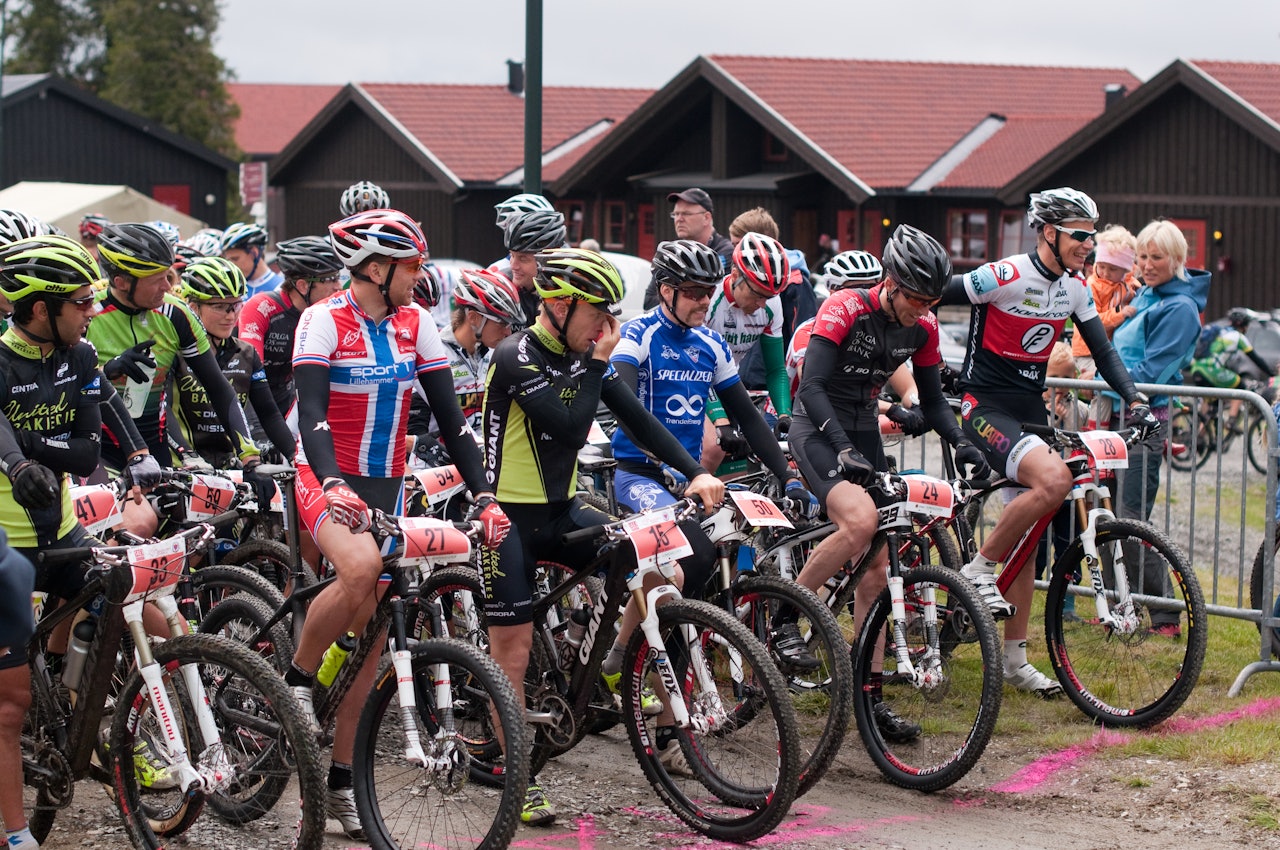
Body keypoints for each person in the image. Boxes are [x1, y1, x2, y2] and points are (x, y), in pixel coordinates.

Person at [284, 208, 508, 840]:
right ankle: (297, 681)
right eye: (411, 265)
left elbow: (452, 419)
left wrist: (487, 495)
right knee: (359, 566)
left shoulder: (416, 324)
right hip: (324, 473)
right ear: (376, 268)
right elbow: (313, 414)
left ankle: (338, 785)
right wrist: (331, 483)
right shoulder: (322, 319)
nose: (421, 275)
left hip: (386, 481)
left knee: (375, 643)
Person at [480, 247, 723, 826]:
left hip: (561, 510)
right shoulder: (515, 356)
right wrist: (598, 362)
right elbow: (567, 424)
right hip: (505, 519)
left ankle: (609, 657)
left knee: (650, 554)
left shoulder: (586, 356)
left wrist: (695, 472)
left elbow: (640, 421)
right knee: (511, 651)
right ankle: (518, 775)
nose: (604, 325)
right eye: (596, 312)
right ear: (559, 305)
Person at [938, 187, 1156, 697]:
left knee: (1032, 538)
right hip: (983, 408)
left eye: (1093, 236)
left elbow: (1103, 353)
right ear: (1049, 232)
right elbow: (928, 297)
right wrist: (930, 374)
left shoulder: (1076, 290)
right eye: (1081, 236)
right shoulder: (1004, 274)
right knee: (1054, 479)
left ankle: (1015, 660)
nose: (1090, 245)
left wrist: (1136, 399)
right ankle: (977, 571)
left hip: (1029, 412)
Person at [787, 225, 990, 741]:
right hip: (817, 427)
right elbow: (810, 387)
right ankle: (788, 616)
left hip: (862, 434)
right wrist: (843, 446)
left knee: (877, 569)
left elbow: (935, 400)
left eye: (930, 303)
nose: (921, 312)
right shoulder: (844, 308)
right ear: (891, 282)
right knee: (860, 521)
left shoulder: (922, 329)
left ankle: (868, 699)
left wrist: (964, 442)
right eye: (915, 301)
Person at [0, 235, 162, 849]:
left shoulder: (84, 356)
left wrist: (24, 447)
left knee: (131, 605)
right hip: (8, 549)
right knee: (10, 706)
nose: (92, 309)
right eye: (80, 300)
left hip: (63, 534)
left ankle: (102, 726)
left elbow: (90, 451)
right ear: (41, 308)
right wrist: (17, 464)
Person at [609, 239, 819, 665]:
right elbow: (631, 413)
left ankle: (663, 662)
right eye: (692, 292)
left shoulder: (710, 343)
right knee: (687, 556)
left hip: (689, 480)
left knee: (720, 550)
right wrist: (682, 467)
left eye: (707, 292)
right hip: (641, 475)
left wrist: (789, 476)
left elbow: (748, 417)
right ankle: (620, 654)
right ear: (665, 290)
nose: (704, 301)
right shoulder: (638, 334)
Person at [89, 223, 262, 535]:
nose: (168, 287)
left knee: (211, 525)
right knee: (138, 525)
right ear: (121, 281)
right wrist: (108, 371)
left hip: (158, 456)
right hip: (103, 455)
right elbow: (65, 387)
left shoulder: (176, 314)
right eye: (157, 280)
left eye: (169, 276)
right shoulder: (89, 312)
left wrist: (250, 459)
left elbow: (219, 390)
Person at [1106, 220, 1209, 635]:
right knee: (1113, 516)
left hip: (1146, 422)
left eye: (1156, 257)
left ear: (1178, 259)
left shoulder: (1180, 307)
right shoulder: (1146, 295)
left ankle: (1164, 614)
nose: (1147, 265)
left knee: (1130, 519)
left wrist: (1109, 380)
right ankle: (1121, 608)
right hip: (1120, 417)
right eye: (1142, 257)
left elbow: (1157, 369)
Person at [168, 257, 295, 469]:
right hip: (185, 463)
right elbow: (165, 414)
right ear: (193, 307)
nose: (231, 315)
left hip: (232, 463)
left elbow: (269, 414)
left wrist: (295, 456)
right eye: (220, 306)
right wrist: (186, 456)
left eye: (236, 305)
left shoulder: (246, 353)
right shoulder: (175, 353)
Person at [407, 267, 525, 460]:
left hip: (487, 462)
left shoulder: (498, 353)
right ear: (474, 317)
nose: (508, 333)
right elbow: (416, 427)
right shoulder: (434, 351)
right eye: (502, 323)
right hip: (440, 468)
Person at [700, 232, 792, 473]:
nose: (763, 303)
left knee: (742, 462)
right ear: (735, 276)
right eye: (757, 294)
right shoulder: (710, 303)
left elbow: (776, 370)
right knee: (714, 447)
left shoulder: (771, 304)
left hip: (727, 382)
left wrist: (784, 414)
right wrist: (720, 421)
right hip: (694, 380)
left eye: (769, 296)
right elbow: (698, 371)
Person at [238, 235, 345, 424]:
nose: (339, 286)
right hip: (248, 399)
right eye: (331, 279)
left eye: (338, 277)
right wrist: (258, 431)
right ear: (303, 285)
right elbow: (248, 373)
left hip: (287, 399)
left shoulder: (328, 314)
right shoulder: (262, 307)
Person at [1072, 225, 1139, 426]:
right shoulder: (1093, 285)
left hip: (1104, 349)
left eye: (1113, 269)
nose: (1105, 272)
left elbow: (1132, 277)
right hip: (1087, 349)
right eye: (1101, 266)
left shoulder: (1125, 283)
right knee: (1104, 389)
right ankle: (1095, 434)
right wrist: (1120, 314)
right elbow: (1093, 320)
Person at [641, 189, 733, 310]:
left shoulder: (725, 252)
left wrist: (676, 294)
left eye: (686, 214)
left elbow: (713, 299)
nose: (679, 219)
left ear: (706, 217)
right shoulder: (671, 254)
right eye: (676, 214)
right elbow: (649, 303)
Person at [1188, 307, 1276, 427]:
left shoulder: (1221, 331)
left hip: (1197, 369)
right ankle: (1232, 420)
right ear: (1244, 325)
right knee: (1240, 386)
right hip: (1212, 371)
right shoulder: (1238, 337)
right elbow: (1256, 359)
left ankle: (1200, 438)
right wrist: (1273, 374)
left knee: (1210, 405)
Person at [498, 209, 568, 329]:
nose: (513, 266)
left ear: (550, 259)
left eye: (523, 258)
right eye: (512, 255)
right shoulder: (502, 286)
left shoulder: (570, 294)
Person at [220, 222, 283, 298]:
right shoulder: (232, 289)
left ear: (254, 252)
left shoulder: (279, 288)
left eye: (235, 259)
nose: (231, 266)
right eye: (228, 260)